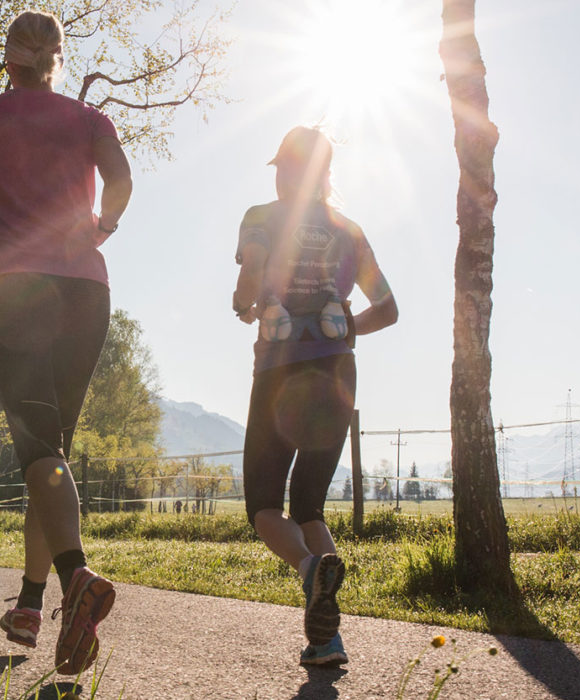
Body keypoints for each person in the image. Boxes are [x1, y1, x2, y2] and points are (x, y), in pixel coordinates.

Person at [0, 9, 133, 677]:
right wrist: (99, 227)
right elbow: (123, 181)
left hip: (17, 289)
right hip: (86, 290)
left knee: (39, 450)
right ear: (56, 60)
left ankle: (77, 578)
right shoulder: (88, 120)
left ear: (8, 59)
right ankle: (28, 603)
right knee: (53, 458)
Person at [231, 126, 399, 667]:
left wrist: (243, 300)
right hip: (338, 373)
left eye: (283, 167)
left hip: (282, 375)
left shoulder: (261, 216)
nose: (280, 177)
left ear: (291, 171)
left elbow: (253, 274)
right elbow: (388, 308)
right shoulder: (350, 231)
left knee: (262, 506)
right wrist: (346, 325)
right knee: (309, 507)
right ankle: (326, 639)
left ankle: (309, 574)